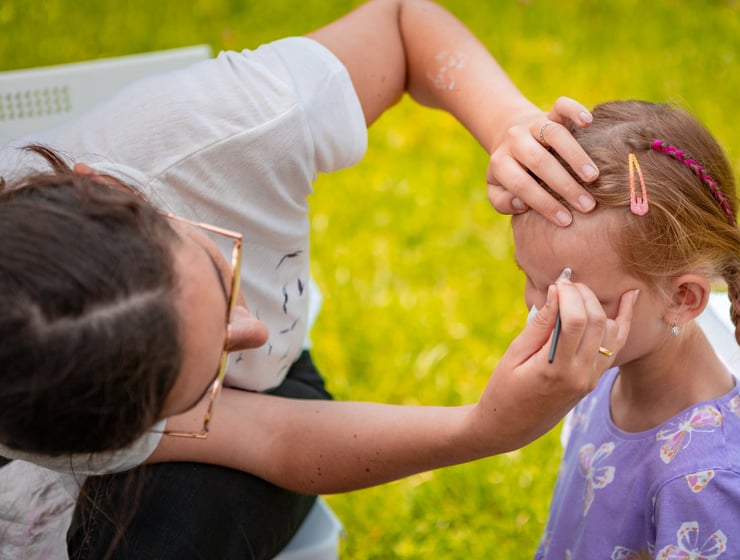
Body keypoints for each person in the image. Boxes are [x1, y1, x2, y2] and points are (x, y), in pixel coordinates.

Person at [0, 1, 639, 558]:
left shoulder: (231, 124)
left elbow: (402, 23)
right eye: (200, 384)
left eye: (221, 272)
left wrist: (508, 122)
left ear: (109, 187)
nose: (251, 328)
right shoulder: (41, 393)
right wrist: (487, 428)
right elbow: (267, 437)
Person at [511, 100, 740, 559]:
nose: (537, 310)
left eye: (576, 297)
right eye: (529, 278)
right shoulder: (603, 367)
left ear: (682, 299)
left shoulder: (705, 486)